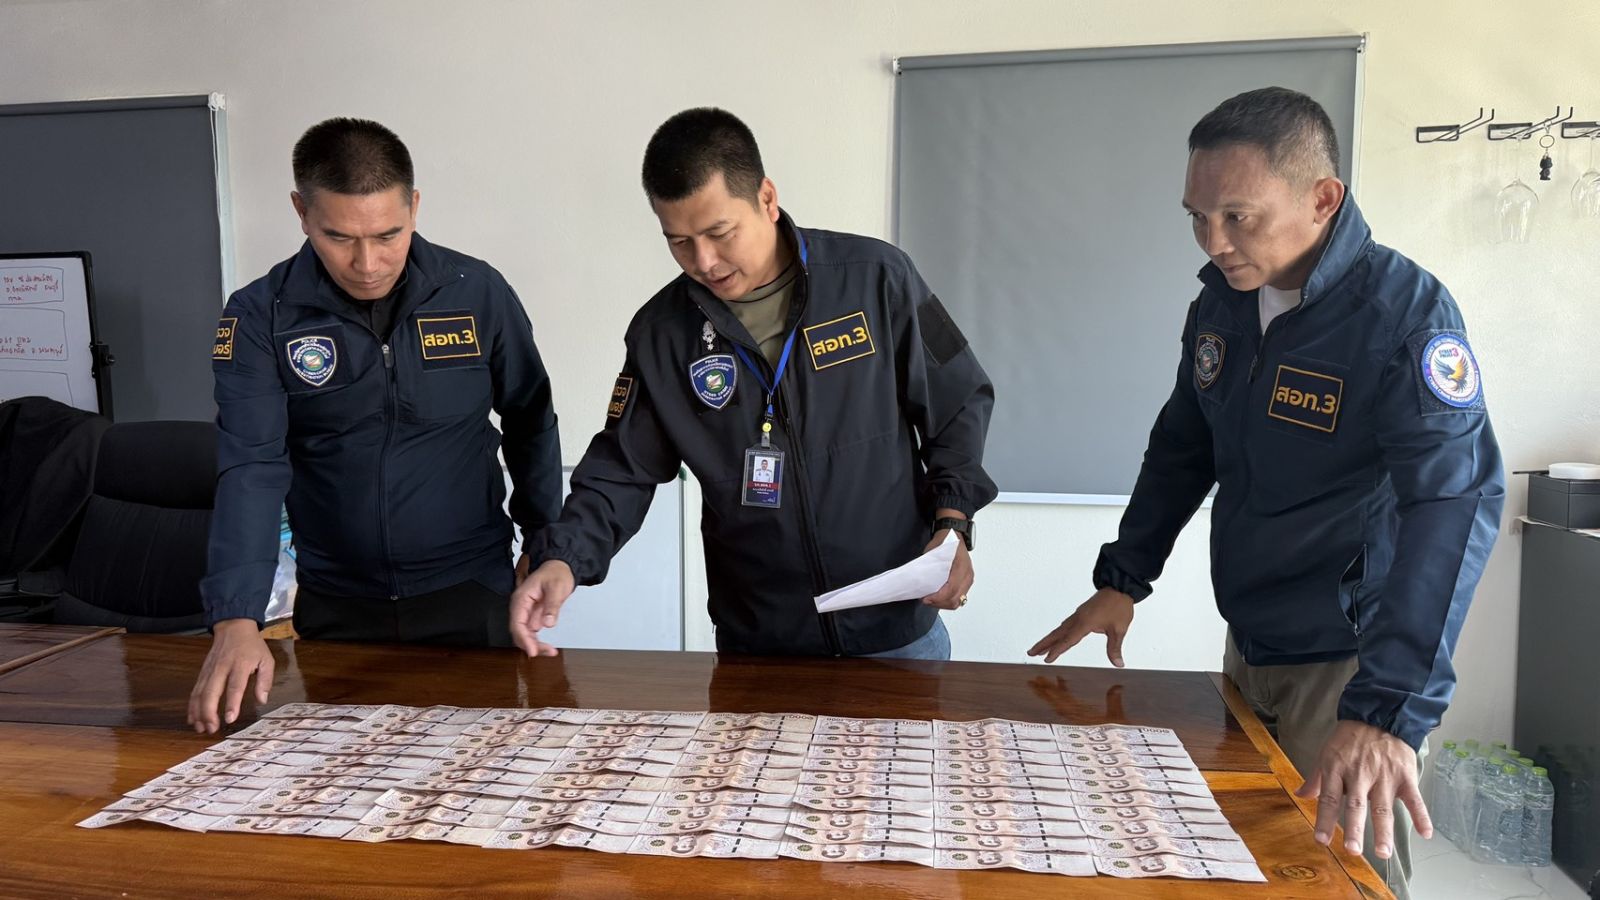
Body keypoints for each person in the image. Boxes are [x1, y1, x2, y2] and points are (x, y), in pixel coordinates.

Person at [1026, 87, 1504, 899]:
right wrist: (1123, 579)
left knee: (1342, 877)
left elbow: (1453, 506)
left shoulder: (1403, 317)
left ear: (1323, 199)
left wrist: (1387, 711)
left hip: (1347, 662)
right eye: (1197, 217)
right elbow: (1184, 446)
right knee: (1257, 859)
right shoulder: (1224, 303)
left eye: (1238, 217)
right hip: (1250, 640)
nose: (1214, 242)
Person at [514, 108, 996, 659]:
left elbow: (958, 403)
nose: (704, 261)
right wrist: (564, 557)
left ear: (766, 198)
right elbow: (622, 469)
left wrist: (954, 522)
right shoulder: (663, 334)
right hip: (760, 645)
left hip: (896, 632)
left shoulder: (876, 279)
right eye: (678, 241)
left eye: (719, 233)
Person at [190, 117, 561, 732]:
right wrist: (236, 616)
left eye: (388, 234)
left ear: (414, 206)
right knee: (340, 774)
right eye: (339, 237)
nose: (367, 263)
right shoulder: (260, 317)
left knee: (477, 768)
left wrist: (546, 542)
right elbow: (252, 464)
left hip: (470, 590)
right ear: (301, 213)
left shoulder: (476, 292)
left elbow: (530, 417)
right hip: (339, 600)